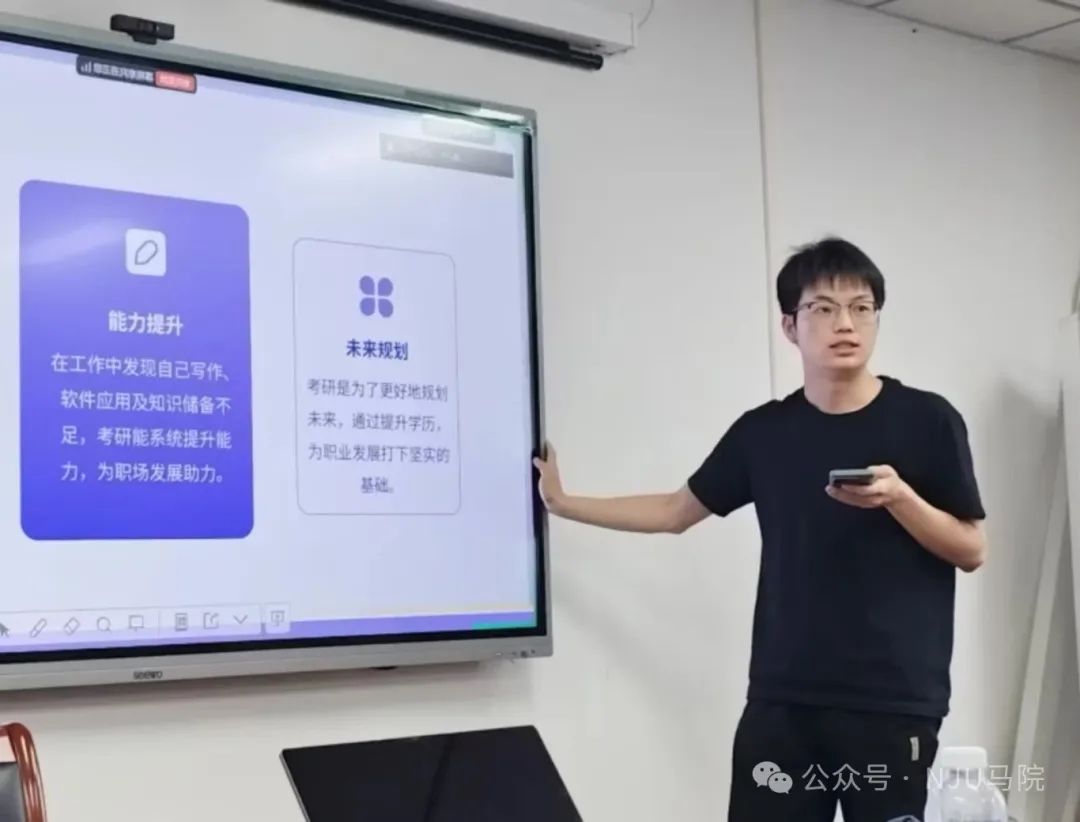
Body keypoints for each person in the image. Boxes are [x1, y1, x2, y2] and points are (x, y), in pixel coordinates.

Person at [533, 237, 987, 822]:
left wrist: (899, 497)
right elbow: (675, 511)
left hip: (894, 700)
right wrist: (564, 503)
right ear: (790, 326)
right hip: (783, 698)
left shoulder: (928, 420)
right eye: (823, 308)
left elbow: (971, 548)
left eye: (862, 307)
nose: (845, 323)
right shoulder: (764, 433)